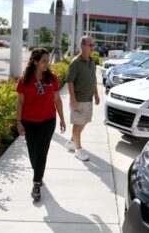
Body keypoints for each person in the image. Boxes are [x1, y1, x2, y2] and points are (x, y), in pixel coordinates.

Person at [16, 48, 66, 201]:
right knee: (32, 151)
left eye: (48, 60)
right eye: (44, 60)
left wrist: (62, 119)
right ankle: (38, 172)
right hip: (29, 121)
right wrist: (19, 122)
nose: (47, 63)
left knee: (41, 151)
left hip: (47, 121)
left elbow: (57, 100)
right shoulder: (24, 79)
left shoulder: (52, 78)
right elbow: (20, 102)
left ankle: (36, 183)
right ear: (35, 62)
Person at [64, 35, 100, 161]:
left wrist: (96, 94)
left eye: (93, 45)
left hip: (88, 99)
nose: (92, 47)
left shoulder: (92, 62)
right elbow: (70, 82)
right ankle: (78, 150)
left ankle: (71, 142)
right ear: (83, 46)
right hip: (78, 100)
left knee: (83, 123)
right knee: (78, 125)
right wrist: (72, 99)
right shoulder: (76, 63)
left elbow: (93, 79)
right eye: (90, 45)